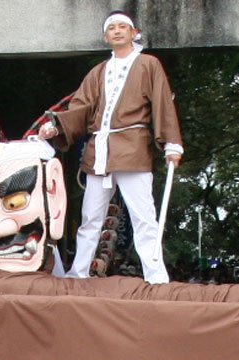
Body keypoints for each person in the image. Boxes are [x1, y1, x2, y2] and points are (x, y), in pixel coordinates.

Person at [36, 10, 183, 284]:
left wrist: (171, 144)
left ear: (134, 33)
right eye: (112, 28)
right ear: (106, 36)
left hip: (132, 148)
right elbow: (80, 107)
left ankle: (156, 276)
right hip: (100, 152)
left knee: (143, 217)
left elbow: (163, 102)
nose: (117, 31)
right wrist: (56, 126)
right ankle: (78, 274)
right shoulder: (98, 72)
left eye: (122, 27)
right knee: (90, 217)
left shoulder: (148, 64)